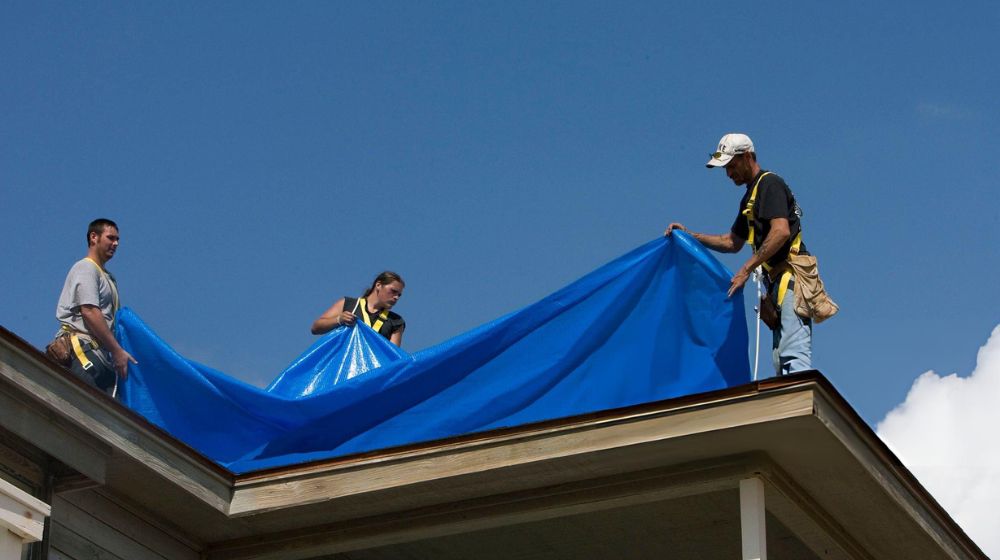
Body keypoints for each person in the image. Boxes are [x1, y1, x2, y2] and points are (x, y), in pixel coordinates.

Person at [665, 133, 813, 375]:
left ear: (747, 157)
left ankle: (800, 408)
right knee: (780, 358)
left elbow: (781, 231)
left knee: (792, 355)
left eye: (731, 166)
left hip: (790, 279)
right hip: (776, 283)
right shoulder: (750, 197)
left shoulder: (769, 184)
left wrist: (745, 269)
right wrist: (691, 236)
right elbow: (732, 241)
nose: (728, 174)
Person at [54, 219, 137, 394]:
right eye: (110, 238)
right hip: (83, 350)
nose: (116, 244)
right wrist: (117, 350)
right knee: (85, 409)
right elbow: (90, 311)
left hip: (101, 355)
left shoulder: (108, 278)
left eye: (117, 240)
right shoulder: (86, 268)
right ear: (94, 237)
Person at [311, 271, 406, 346]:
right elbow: (316, 327)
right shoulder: (348, 304)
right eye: (393, 291)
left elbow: (393, 357)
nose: (396, 297)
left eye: (399, 295)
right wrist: (339, 319)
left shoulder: (396, 321)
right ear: (378, 285)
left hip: (375, 370)